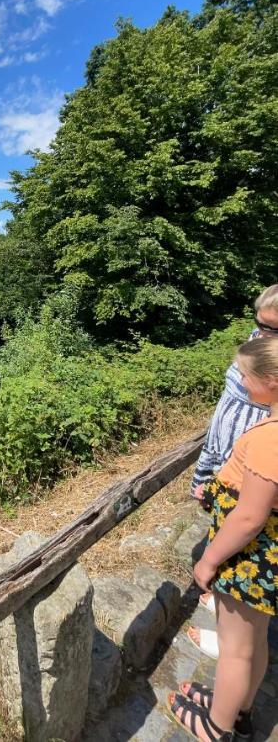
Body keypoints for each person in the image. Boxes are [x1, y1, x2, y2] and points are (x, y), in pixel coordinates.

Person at [168, 334, 278, 742]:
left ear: (272, 381)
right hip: (263, 557)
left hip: (249, 557)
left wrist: (209, 560)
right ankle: (237, 709)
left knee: (236, 650)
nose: (241, 385)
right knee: (254, 644)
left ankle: (217, 727)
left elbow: (250, 516)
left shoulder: (271, 437)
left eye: (247, 377)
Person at [188, 285, 278, 658]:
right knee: (225, 529)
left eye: (274, 330)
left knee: (241, 544)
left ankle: (231, 644)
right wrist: (207, 469)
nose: (263, 335)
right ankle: (227, 612)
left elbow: (250, 518)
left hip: (254, 471)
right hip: (230, 456)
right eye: (260, 324)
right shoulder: (261, 344)